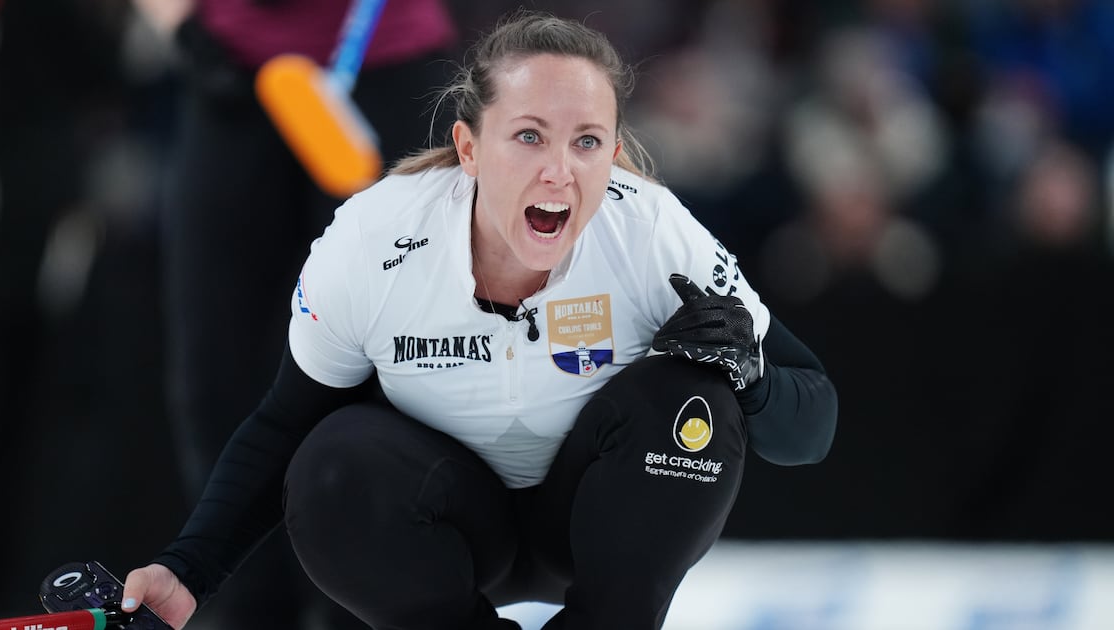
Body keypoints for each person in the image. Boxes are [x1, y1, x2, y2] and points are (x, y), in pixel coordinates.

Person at [121, 11, 838, 630]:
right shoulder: (375, 240)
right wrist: (188, 571)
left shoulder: (651, 233)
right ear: (468, 148)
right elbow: (281, 425)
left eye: (587, 142)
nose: (559, 170)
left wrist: (755, 379)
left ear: (615, 156)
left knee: (698, 399)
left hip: (590, 529)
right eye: (529, 136)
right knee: (331, 458)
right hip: (452, 525)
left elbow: (812, 422)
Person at [128, 0, 456, 627]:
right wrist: (182, 25)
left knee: (392, 362)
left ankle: (365, 602)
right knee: (213, 369)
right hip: (234, 73)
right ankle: (248, 605)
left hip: (386, 68)